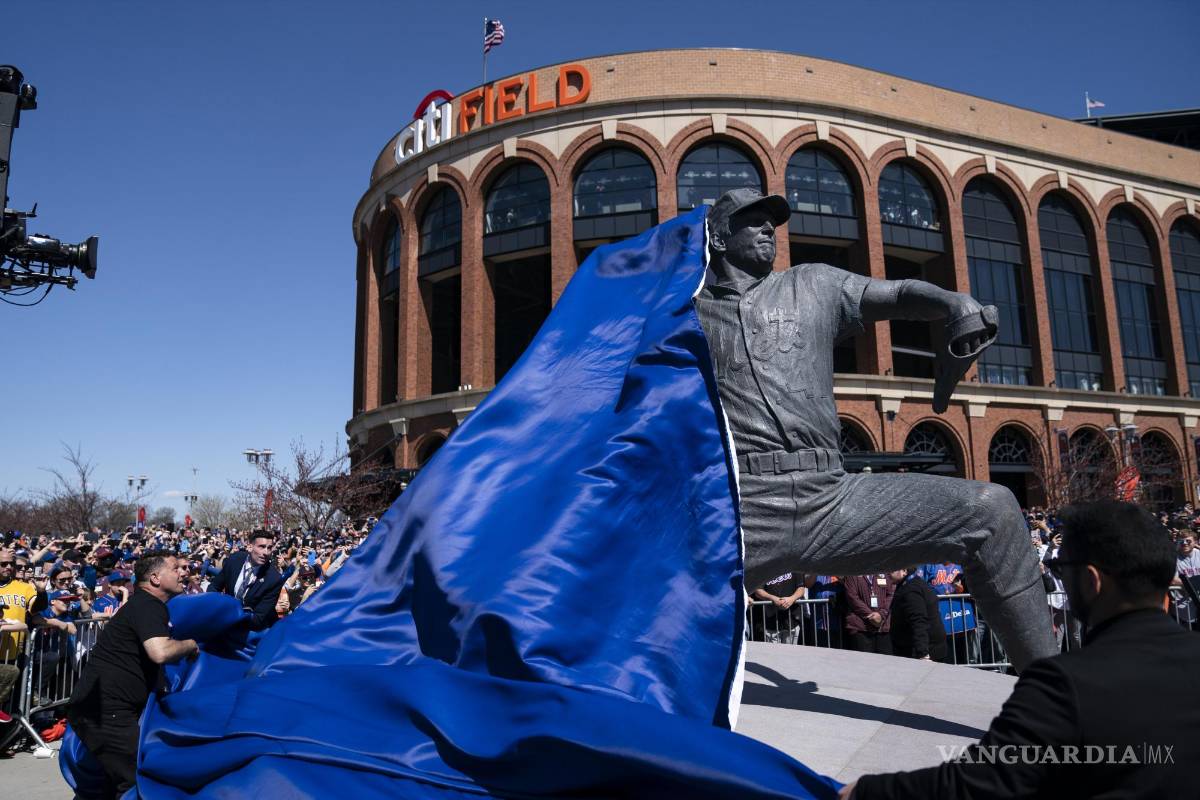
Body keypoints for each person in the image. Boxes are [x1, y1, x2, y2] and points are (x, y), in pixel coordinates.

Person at [693, 188, 1055, 671]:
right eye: (751, 220)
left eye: (771, 222)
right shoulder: (686, 314)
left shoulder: (813, 285)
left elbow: (897, 293)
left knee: (993, 511)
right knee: (635, 603)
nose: (767, 229)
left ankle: (1051, 690)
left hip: (830, 497)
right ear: (717, 237)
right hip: (742, 506)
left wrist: (952, 302)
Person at [844, 501, 1200, 799]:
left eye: (1063, 568)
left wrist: (869, 791)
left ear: (1091, 580)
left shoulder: (1064, 683)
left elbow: (977, 785)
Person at [67, 552, 198, 799]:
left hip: (103, 710)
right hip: (107, 712)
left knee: (103, 787)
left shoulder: (143, 605)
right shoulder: (148, 605)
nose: (184, 572)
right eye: (175, 568)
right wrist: (189, 645)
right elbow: (159, 652)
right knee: (136, 780)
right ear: (156, 578)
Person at [206, 529, 284, 630]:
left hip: (251, 632)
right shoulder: (235, 559)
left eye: (269, 548)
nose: (266, 552)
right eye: (261, 547)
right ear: (250, 546)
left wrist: (230, 614)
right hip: (223, 622)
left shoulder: (274, 578)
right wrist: (215, 606)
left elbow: (258, 619)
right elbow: (214, 587)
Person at [0, 548, 37, 724]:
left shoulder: (24, 587)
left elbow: (37, 607)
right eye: (3, 564)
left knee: (9, 701)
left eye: (11, 564)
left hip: (13, 652)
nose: (8, 567)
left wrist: (43, 593)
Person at [888, 567, 947, 662]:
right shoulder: (912, 583)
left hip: (921, 650)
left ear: (904, 571)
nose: (888, 573)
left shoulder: (911, 590)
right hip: (919, 646)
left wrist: (923, 653)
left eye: (892, 569)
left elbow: (919, 620)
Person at [842, 573, 894, 654]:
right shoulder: (852, 573)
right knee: (864, 663)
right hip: (861, 628)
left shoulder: (883, 571)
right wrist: (871, 615)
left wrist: (881, 614)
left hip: (882, 627)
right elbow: (852, 597)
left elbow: (890, 594)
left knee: (886, 662)